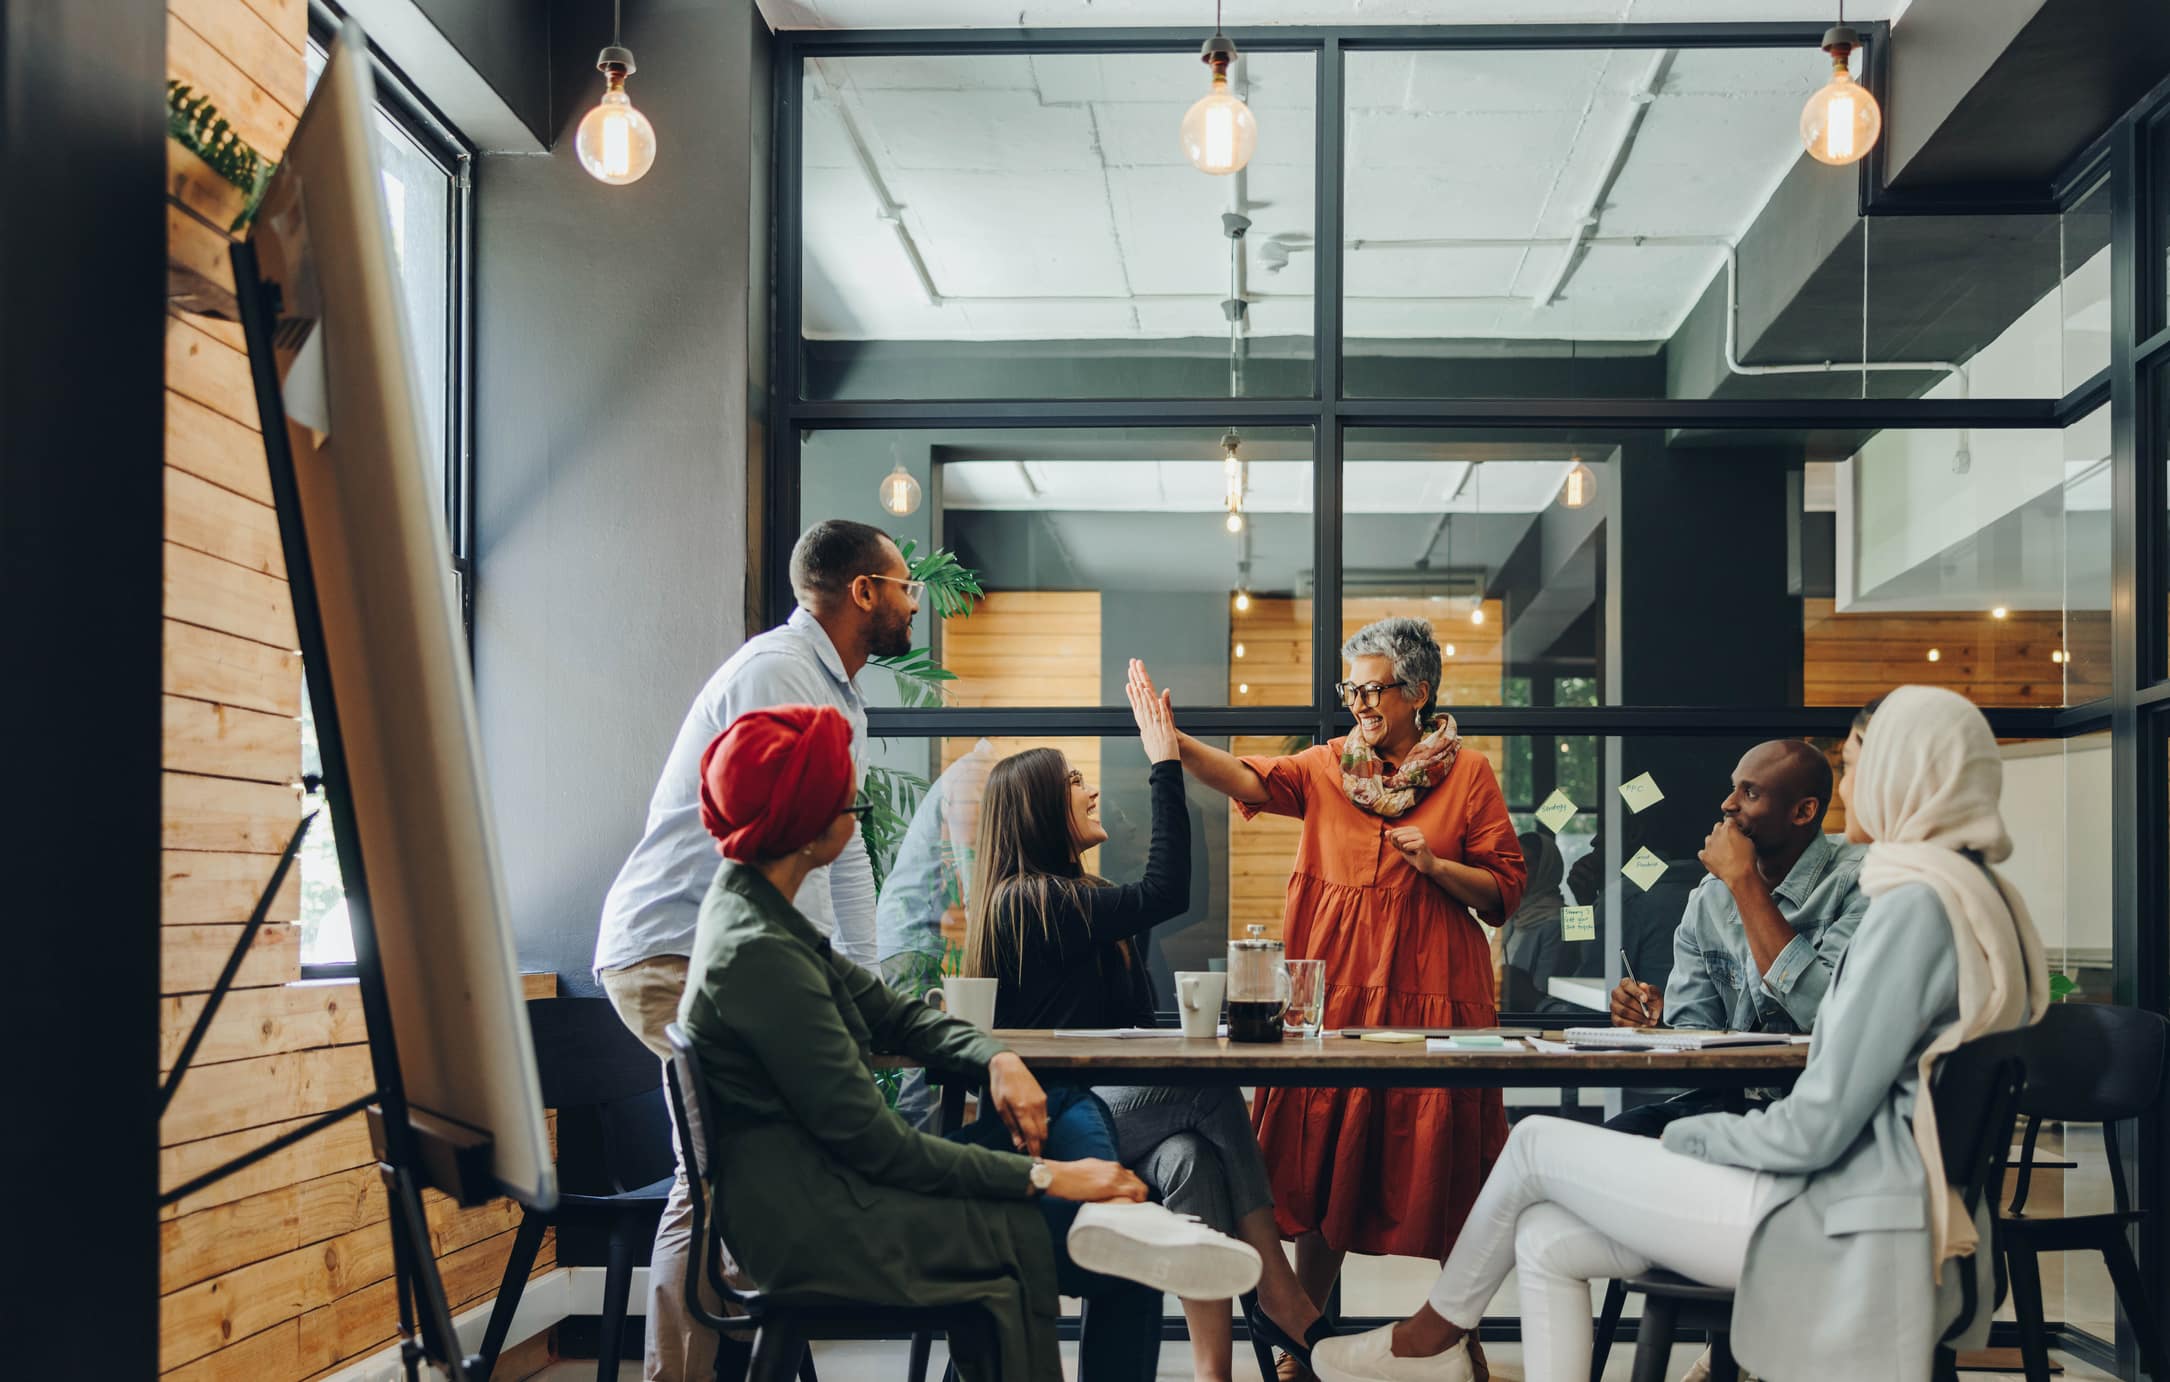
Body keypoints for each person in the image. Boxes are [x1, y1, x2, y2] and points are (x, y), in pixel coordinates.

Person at [1312, 684, 2050, 1382]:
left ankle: (1429, 1340)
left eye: (1857, 767)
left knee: (1535, 1143)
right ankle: (1435, 1339)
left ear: (1904, 771)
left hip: (1840, 1208)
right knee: (1542, 1240)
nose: (1849, 792)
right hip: (1867, 1196)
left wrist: (1686, 1144)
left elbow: (1818, 1123)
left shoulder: (1909, 905)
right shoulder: (1979, 896)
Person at [680, 704, 1264, 1382]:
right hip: (823, 1220)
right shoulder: (760, 954)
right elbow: (879, 1146)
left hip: (830, 1188)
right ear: (805, 824)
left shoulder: (759, 919)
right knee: (1122, 1248)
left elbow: (897, 1019)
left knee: (1095, 1167)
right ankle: (1131, 1229)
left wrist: (997, 1054)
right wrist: (1049, 1175)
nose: (857, 812)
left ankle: (1126, 1226)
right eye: (847, 803)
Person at [1136, 618, 1527, 1379]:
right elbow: (1248, 779)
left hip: (1433, 1000)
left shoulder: (1469, 774)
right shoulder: (1327, 768)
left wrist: (1439, 866)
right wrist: (1173, 744)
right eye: (1351, 690)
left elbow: (1505, 892)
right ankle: (1300, 1345)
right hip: (1337, 1001)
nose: (1359, 705)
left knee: (1449, 1171)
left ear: (1417, 692)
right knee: (1330, 1165)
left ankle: (1460, 1341)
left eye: (1372, 689)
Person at [592, 518, 915, 1380]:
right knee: (720, 1170)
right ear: (864, 593)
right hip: (675, 950)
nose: (914, 600)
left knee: (753, 1165)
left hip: (717, 952)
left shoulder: (835, 690)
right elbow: (773, 846)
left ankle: (758, 1347)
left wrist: (870, 986)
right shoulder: (778, 674)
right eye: (905, 584)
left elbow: (842, 857)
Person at [964, 667, 1330, 1381]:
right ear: (1040, 809)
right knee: (1208, 1090)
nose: (1093, 788)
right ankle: (1282, 1295)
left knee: (1191, 1156)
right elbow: (1167, 889)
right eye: (1074, 780)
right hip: (1062, 1122)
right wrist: (1164, 762)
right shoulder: (1028, 902)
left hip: (1109, 1107)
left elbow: (1136, 1016)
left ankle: (1212, 1372)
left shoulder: (1083, 900)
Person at [1603, 738, 1869, 1139]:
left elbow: (1823, 1013)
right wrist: (1655, 1023)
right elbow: (1695, 1038)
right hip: (1728, 1107)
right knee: (1603, 1140)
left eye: (1750, 792)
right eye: (1733, 787)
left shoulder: (1859, 881)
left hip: (1820, 1113)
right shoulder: (1711, 895)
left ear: (1803, 811)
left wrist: (1745, 884)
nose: (1728, 804)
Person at [1499, 831, 1583, 1013]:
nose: (1516, 871)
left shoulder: (1559, 922)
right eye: (1513, 862)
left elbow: (1542, 992)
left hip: (1539, 1023)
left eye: (1526, 864)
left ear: (1546, 868)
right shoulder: (1513, 915)